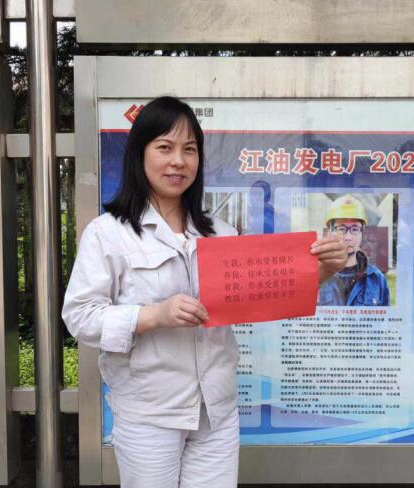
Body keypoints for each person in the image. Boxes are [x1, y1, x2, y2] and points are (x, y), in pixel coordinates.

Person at [61, 96, 346, 488]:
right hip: (151, 413)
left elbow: (264, 295)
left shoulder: (219, 233)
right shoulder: (109, 233)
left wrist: (324, 269)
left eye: (190, 149)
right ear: (140, 154)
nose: (179, 161)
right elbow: (80, 316)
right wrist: (154, 315)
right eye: (165, 147)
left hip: (216, 411)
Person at [317, 194, 390, 306]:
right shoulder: (318, 277)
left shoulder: (377, 279)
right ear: (330, 232)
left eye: (355, 229)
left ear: (362, 233)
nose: (348, 237)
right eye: (341, 229)